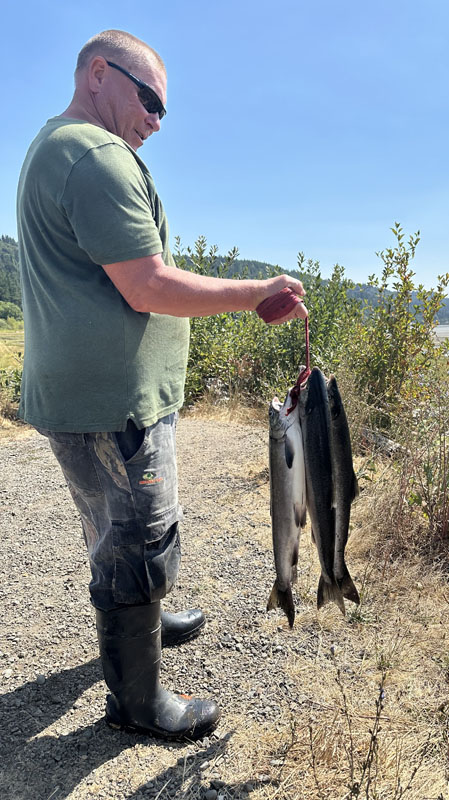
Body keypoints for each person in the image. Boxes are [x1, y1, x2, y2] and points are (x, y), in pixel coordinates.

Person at [16, 29, 307, 742]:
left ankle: (139, 626)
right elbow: (145, 285)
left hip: (89, 398)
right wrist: (254, 292)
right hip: (112, 404)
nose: (155, 118)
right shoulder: (92, 155)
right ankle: (138, 704)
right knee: (137, 541)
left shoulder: (59, 146)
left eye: (163, 109)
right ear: (97, 74)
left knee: (112, 531)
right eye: (148, 99)